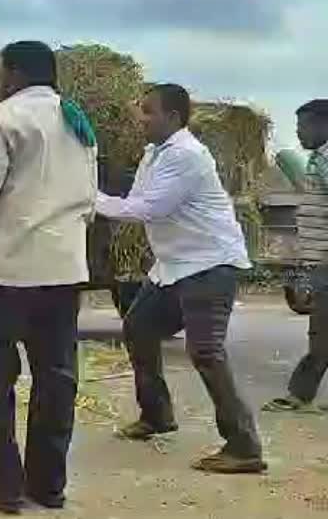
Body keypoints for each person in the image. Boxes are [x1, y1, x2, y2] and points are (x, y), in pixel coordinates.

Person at [0, 41, 97, 513]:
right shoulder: (77, 121)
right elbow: (89, 197)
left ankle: (5, 487)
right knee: (56, 379)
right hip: (64, 271)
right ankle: (47, 487)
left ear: (13, 73)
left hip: (7, 272)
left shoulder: (1, 118)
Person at [97, 83, 265, 474]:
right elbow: (136, 199)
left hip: (208, 264)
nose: (141, 118)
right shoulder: (155, 154)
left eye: (149, 111)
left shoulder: (186, 155)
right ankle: (157, 415)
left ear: (173, 117)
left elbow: (149, 208)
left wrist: (88, 199)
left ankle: (245, 447)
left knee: (205, 352)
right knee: (138, 327)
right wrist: (102, 201)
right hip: (175, 267)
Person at [263, 99, 328, 413]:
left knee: (322, 329)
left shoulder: (326, 159)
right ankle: (301, 394)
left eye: (305, 126)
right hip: (321, 260)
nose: (300, 133)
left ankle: (300, 395)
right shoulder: (319, 158)